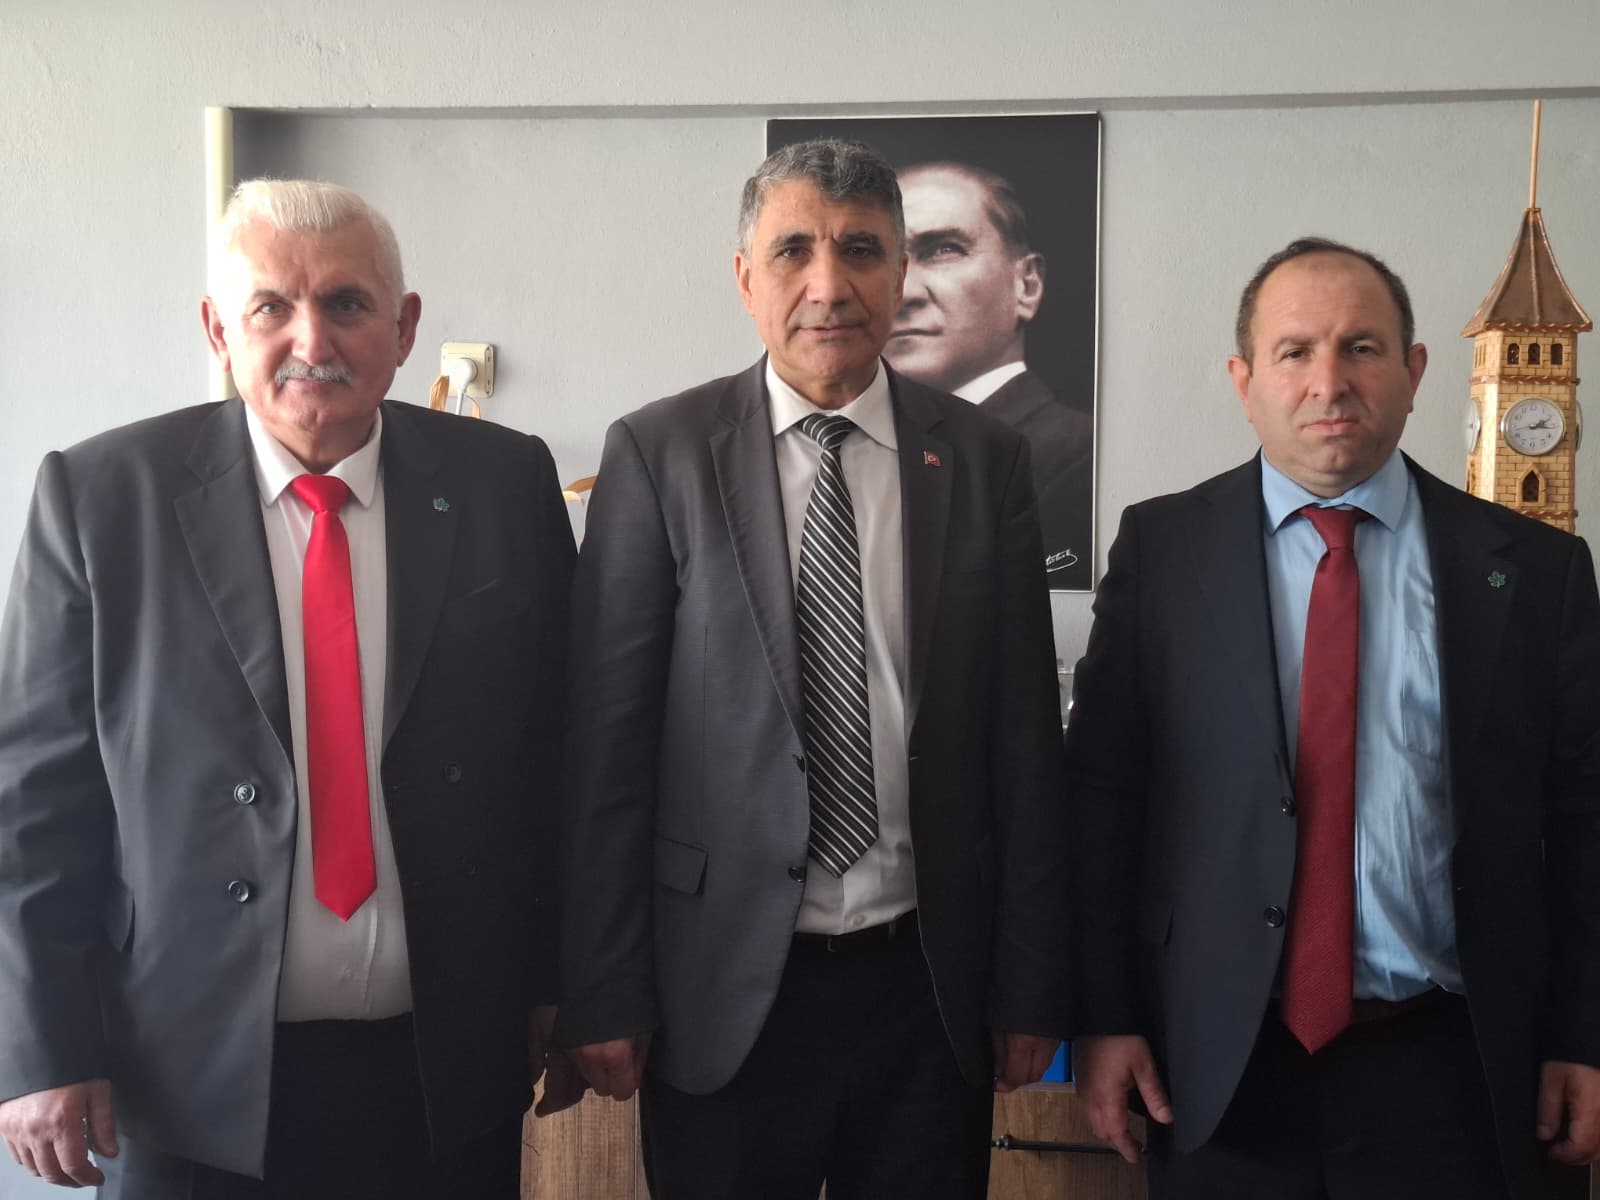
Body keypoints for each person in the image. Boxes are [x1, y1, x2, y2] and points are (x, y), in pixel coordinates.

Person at [0, 180, 580, 1198]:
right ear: (218, 329)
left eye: (348, 303)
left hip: (445, 1068)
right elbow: (33, 804)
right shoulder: (101, 500)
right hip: (186, 1076)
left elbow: (560, 757)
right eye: (271, 306)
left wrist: (566, 984)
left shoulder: (505, 485)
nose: (312, 340)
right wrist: (39, 1046)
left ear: (404, 327)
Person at [556, 138, 1069, 1198]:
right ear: (746, 277)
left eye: (861, 250)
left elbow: (1023, 742)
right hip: (720, 987)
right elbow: (608, 750)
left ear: (898, 272)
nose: (828, 285)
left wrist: (1029, 982)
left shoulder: (985, 460)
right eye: (794, 250)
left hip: (926, 990)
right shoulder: (659, 454)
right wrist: (604, 987)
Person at [1065, 236, 1600, 1199]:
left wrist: (1584, 1035)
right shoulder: (1163, 553)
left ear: (1415, 372)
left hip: (1459, 1070)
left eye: (1362, 347)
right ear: (1244, 381)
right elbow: (1103, 804)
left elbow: (1585, 821)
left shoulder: (1537, 572)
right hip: (1217, 1070)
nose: (1330, 382)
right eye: (1295, 351)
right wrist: (1106, 1018)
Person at [887, 161, 1094, 587]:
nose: (903, 293)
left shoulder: (1080, 458)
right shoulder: (852, 456)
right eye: (885, 258)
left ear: (1027, 286)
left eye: (943, 250)